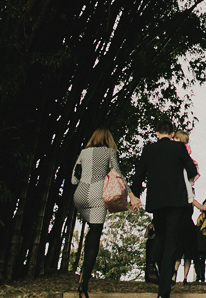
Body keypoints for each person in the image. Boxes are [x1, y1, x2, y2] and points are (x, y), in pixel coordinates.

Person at [130, 120, 197, 298]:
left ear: (157, 133)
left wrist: (134, 195)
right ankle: (163, 292)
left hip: (157, 202)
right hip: (176, 202)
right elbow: (192, 171)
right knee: (171, 244)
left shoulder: (149, 150)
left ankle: (152, 262)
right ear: (173, 133)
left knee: (160, 234)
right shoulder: (179, 149)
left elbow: (139, 176)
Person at [71, 127, 139, 298]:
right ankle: (84, 283)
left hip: (79, 194)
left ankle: (82, 273)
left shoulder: (83, 152)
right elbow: (117, 174)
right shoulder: (109, 152)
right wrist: (130, 194)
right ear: (108, 139)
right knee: (95, 234)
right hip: (96, 195)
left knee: (90, 230)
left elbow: (73, 178)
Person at [173, 130, 199, 203]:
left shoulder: (183, 148)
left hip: (183, 166)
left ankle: (189, 194)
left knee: (185, 178)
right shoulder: (183, 147)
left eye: (176, 138)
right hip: (182, 165)